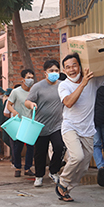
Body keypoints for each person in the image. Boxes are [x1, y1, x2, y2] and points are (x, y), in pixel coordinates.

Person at [56, 50, 104, 202]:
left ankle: (66, 189)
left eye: (74, 66)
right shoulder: (64, 85)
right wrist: (83, 84)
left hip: (87, 129)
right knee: (77, 157)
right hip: (70, 127)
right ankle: (62, 182)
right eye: (68, 67)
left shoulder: (93, 80)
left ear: (80, 66)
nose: (72, 70)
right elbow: (69, 103)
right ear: (64, 70)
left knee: (84, 166)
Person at [25, 59, 65, 187]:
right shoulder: (37, 87)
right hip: (40, 125)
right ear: (45, 73)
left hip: (57, 125)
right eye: (51, 70)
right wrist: (31, 104)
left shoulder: (63, 85)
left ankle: (54, 171)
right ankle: (39, 176)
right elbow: (27, 101)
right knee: (40, 153)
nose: (54, 73)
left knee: (59, 147)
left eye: (56, 70)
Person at [7, 69, 36, 177]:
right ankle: (18, 167)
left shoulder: (34, 91)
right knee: (18, 147)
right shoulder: (16, 92)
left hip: (30, 122)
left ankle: (28, 168)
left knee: (30, 146)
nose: (30, 80)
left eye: (32, 78)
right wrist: (14, 111)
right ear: (23, 79)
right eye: (28, 78)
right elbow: (9, 105)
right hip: (19, 122)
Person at [2, 88, 14, 163]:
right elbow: (5, 113)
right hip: (7, 122)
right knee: (6, 138)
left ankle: (14, 156)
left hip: (12, 122)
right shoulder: (7, 102)